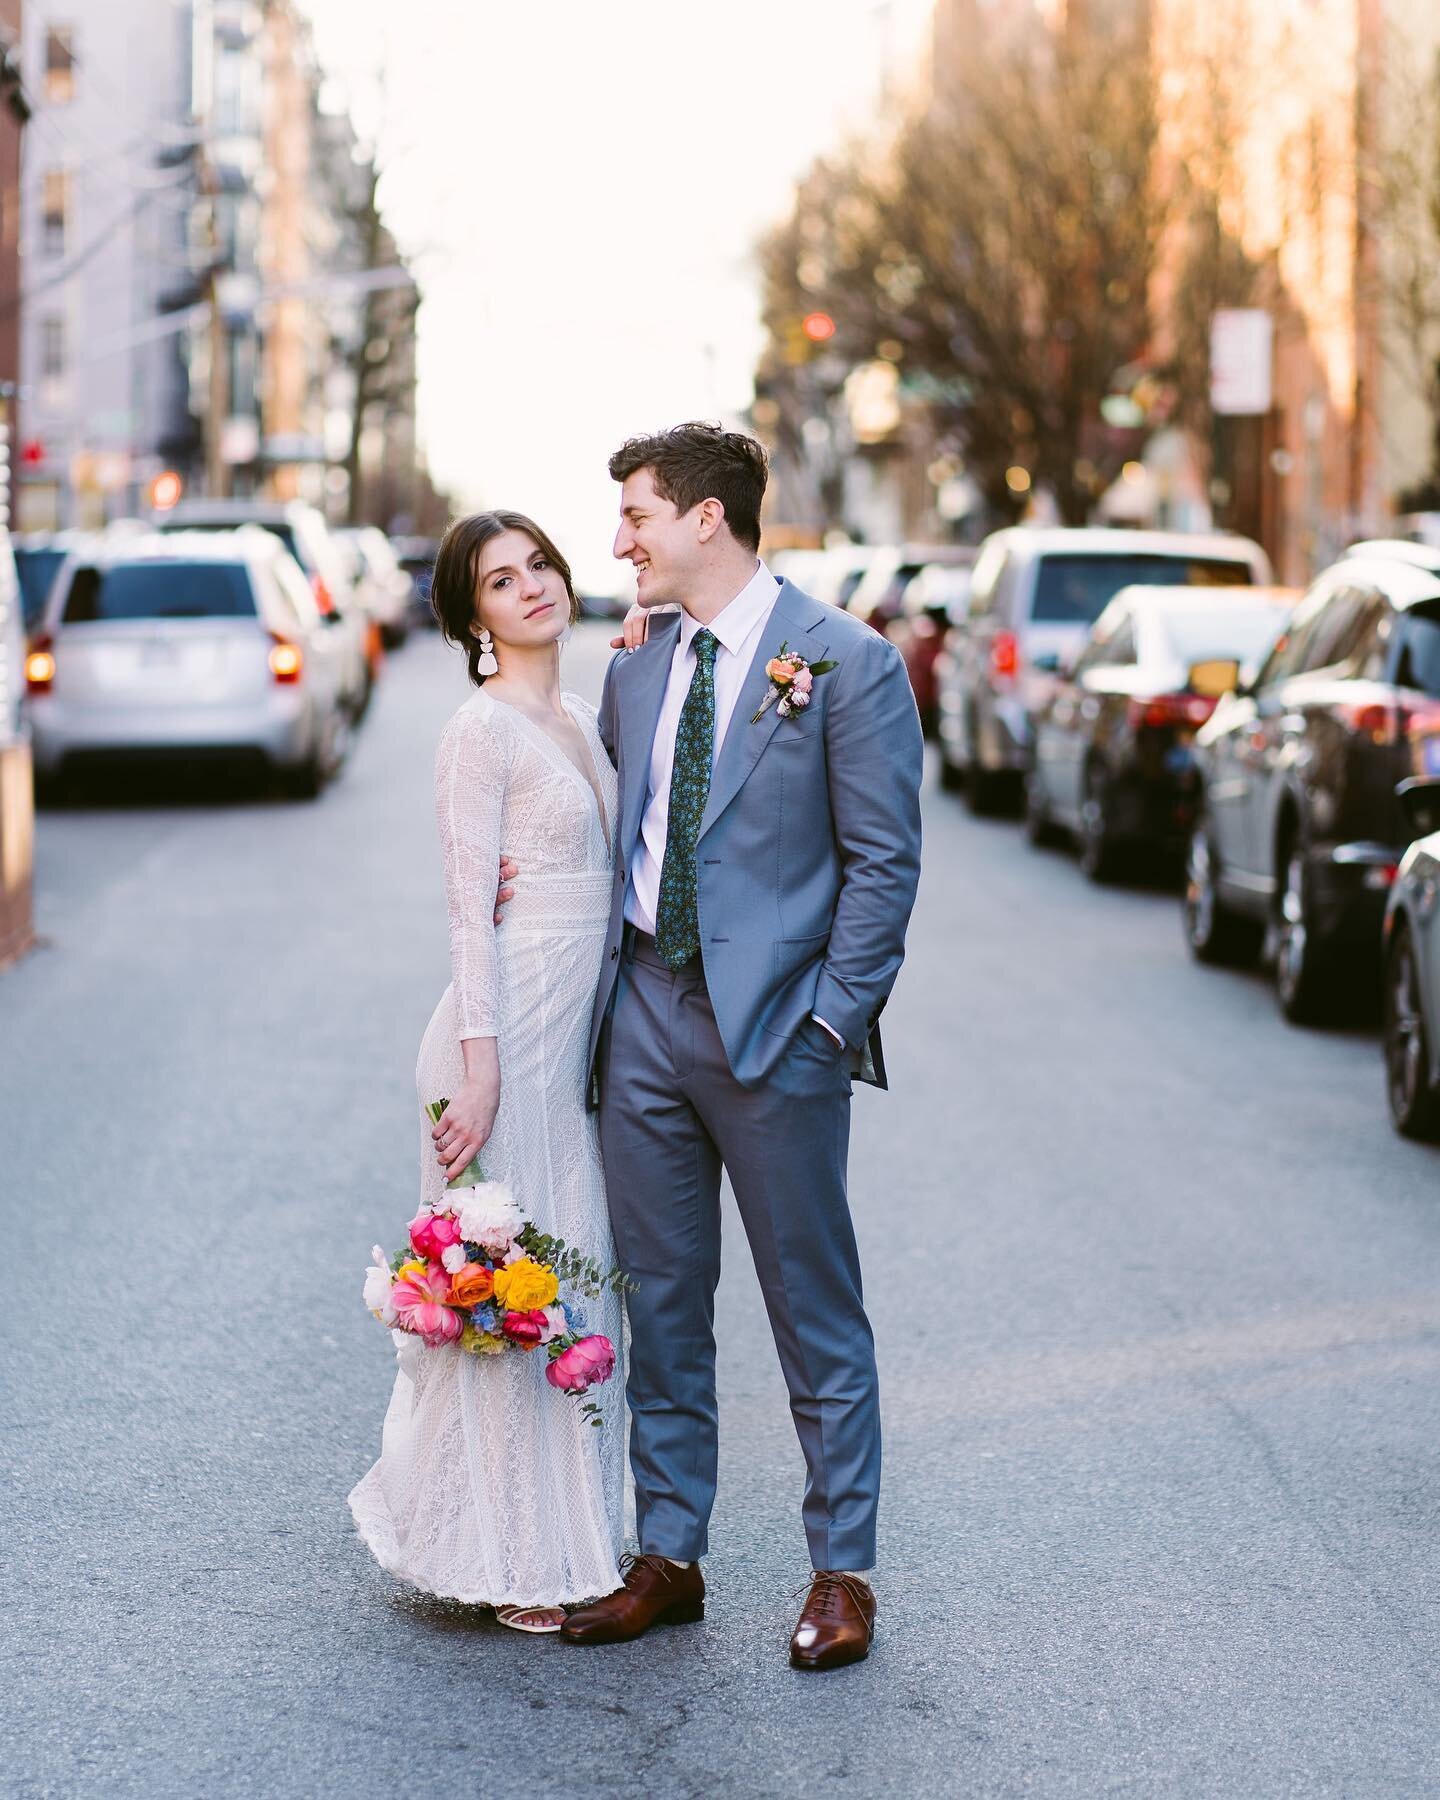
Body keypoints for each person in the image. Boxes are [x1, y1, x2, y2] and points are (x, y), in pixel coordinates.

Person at [553, 422, 924, 1669]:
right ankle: (670, 1553)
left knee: (812, 1309)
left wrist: (830, 1023)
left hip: (779, 1035)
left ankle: (842, 1573)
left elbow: (883, 866)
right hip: (647, 1014)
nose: (621, 542)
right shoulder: (639, 665)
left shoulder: (847, 662)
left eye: (638, 517)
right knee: (663, 1306)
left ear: (707, 519)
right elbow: (623, 827)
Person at [348, 510, 624, 1633]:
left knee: (579, 1266)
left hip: (575, 1038)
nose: (533, 589)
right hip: (502, 1041)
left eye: (541, 566)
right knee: (518, 1284)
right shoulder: (481, 729)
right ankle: (512, 1552)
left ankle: (578, 1530)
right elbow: (469, 909)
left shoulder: (581, 715)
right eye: (502, 582)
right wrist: (479, 1072)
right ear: (474, 617)